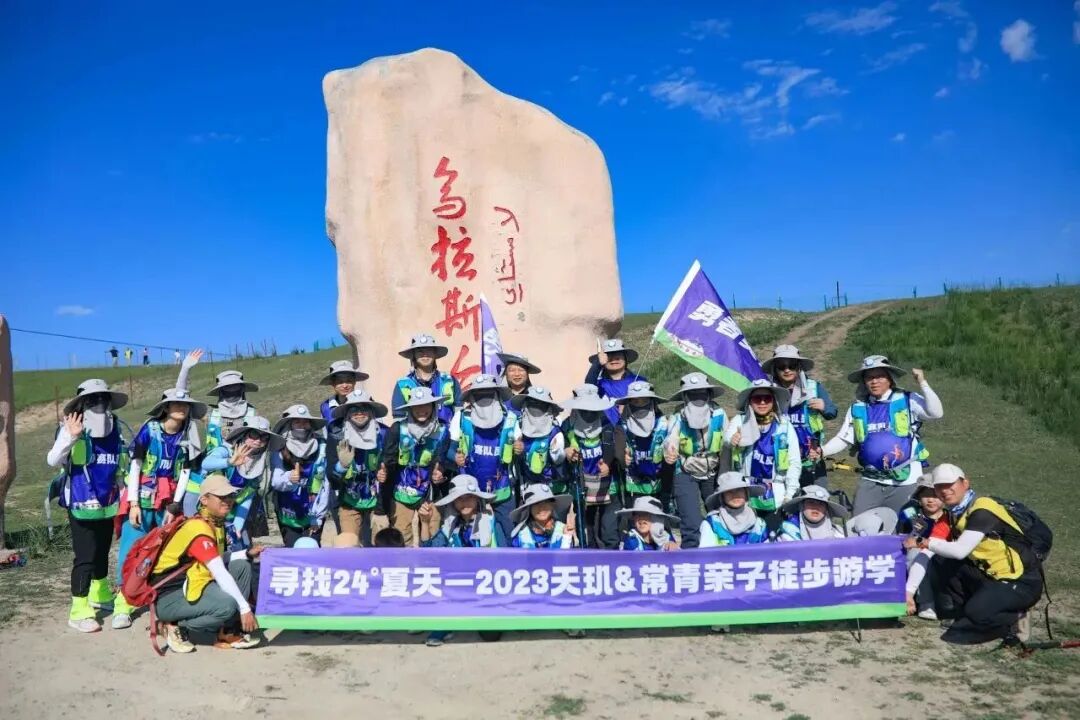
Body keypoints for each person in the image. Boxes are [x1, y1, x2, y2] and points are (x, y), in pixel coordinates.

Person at [903, 464, 1042, 645]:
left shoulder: (982, 510)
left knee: (973, 618)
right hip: (988, 573)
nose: (944, 491)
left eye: (950, 485)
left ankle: (1016, 614)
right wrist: (908, 592)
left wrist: (923, 541)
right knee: (940, 559)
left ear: (965, 483)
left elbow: (960, 551)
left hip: (1021, 580)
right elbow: (929, 552)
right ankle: (972, 610)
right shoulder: (954, 512)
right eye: (939, 486)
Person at [112, 387, 208, 629]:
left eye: (185, 405)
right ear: (165, 407)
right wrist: (133, 503)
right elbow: (136, 465)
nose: (181, 408)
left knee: (166, 550)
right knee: (132, 549)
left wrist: (175, 506)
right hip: (142, 497)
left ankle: (161, 597)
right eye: (176, 404)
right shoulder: (150, 429)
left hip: (168, 500)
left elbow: (186, 471)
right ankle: (123, 603)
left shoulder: (188, 434)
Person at [46, 379, 130, 633]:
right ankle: (79, 609)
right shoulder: (70, 428)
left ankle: (100, 593)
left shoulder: (116, 427)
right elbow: (53, 460)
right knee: (85, 556)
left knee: (102, 550)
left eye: (103, 398)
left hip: (107, 502)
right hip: (80, 503)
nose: (99, 404)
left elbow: (119, 463)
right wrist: (71, 437)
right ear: (82, 404)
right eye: (93, 399)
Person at [153, 474, 262, 653]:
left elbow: (218, 559)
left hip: (193, 583)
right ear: (204, 500)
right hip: (170, 597)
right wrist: (244, 608)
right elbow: (219, 571)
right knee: (228, 605)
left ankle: (226, 631)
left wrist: (246, 554)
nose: (228, 501)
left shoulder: (215, 523)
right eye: (221, 496)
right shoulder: (198, 528)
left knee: (242, 566)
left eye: (230, 496)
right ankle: (175, 626)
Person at [823, 355, 944, 515]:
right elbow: (843, 439)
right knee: (859, 523)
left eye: (880, 376)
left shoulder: (907, 399)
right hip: (871, 480)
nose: (874, 381)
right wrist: (822, 451)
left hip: (906, 480)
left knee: (903, 526)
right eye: (869, 377)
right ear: (864, 382)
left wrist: (922, 382)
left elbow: (936, 413)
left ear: (890, 379)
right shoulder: (858, 408)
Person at [419, 475, 505, 647]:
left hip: (486, 585)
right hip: (457, 584)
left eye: (469, 497)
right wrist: (425, 523)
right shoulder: (450, 527)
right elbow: (429, 553)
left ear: (477, 499)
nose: (464, 502)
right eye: (459, 498)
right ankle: (447, 623)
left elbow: (506, 558)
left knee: (491, 635)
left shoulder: (492, 524)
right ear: (453, 502)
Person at [449, 374, 518, 540]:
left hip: (502, 489)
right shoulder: (461, 418)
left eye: (489, 393)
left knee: (509, 534)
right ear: (472, 397)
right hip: (468, 491)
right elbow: (449, 449)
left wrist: (520, 449)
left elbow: (521, 450)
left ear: (497, 394)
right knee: (467, 534)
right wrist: (454, 457)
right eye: (479, 394)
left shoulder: (511, 418)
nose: (484, 397)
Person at [178, 368, 259, 508]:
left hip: (240, 477)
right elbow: (180, 399)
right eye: (227, 388)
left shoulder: (253, 414)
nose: (232, 391)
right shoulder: (209, 414)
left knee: (236, 519)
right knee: (191, 512)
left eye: (235, 387)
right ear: (221, 391)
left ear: (242, 389)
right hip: (208, 474)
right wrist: (185, 369)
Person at [725, 379, 801, 529]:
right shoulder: (740, 420)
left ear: (773, 401)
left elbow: (794, 462)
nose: (762, 402)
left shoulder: (784, 426)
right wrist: (733, 439)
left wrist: (789, 495)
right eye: (757, 398)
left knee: (773, 534)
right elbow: (728, 438)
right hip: (746, 493)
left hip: (776, 495)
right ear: (749, 401)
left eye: (767, 398)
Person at [200, 417, 284, 550]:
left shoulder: (261, 462)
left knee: (239, 544)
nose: (258, 440)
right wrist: (229, 462)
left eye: (264, 437)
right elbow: (206, 463)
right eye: (254, 434)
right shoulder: (227, 450)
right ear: (244, 434)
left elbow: (247, 495)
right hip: (208, 506)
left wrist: (237, 526)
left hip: (232, 509)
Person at [664, 372, 727, 549]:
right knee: (690, 523)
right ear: (685, 397)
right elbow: (670, 439)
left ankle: (724, 555)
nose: (697, 397)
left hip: (713, 471)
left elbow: (728, 441)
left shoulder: (719, 414)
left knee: (720, 517)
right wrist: (670, 451)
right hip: (685, 471)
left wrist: (725, 473)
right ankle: (690, 557)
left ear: (709, 394)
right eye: (692, 394)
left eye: (701, 393)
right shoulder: (678, 416)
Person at [383, 385, 451, 546]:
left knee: (432, 533)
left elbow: (443, 459)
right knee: (401, 536)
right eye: (417, 406)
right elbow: (388, 459)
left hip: (430, 494)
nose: (421, 410)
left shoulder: (442, 431)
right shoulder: (397, 429)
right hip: (401, 492)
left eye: (426, 405)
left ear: (433, 406)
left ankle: (431, 562)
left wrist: (440, 472)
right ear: (410, 409)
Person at [762, 345, 837, 488]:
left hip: (811, 461)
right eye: (781, 366)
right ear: (775, 369)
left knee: (816, 499)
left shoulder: (814, 387)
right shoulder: (768, 392)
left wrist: (824, 407)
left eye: (792, 365)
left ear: (799, 367)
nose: (787, 370)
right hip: (780, 463)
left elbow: (832, 413)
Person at [327, 390, 391, 547]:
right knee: (347, 545)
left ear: (372, 411)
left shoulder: (384, 433)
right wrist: (341, 466)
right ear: (347, 413)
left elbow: (393, 464)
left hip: (378, 502)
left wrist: (386, 474)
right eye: (354, 409)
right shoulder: (337, 435)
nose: (359, 413)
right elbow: (332, 478)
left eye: (364, 408)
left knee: (380, 547)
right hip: (349, 501)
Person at [561, 384, 619, 549]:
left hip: (607, 484)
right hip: (580, 484)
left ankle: (612, 557)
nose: (588, 412)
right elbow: (559, 445)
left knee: (609, 529)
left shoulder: (606, 423)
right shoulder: (567, 425)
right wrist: (566, 450)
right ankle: (589, 555)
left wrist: (607, 463)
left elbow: (610, 444)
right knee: (586, 528)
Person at [270, 405, 329, 548]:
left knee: (313, 548)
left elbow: (325, 484)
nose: (302, 425)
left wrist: (319, 516)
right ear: (289, 425)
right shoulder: (279, 448)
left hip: (314, 511)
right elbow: (275, 481)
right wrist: (289, 478)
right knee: (293, 550)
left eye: (305, 421)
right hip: (287, 512)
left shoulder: (322, 446)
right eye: (297, 422)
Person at [897, 476, 952, 620]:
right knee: (917, 553)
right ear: (919, 498)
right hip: (917, 559)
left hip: (943, 558)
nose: (931, 500)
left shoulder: (950, 517)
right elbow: (906, 537)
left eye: (936, 495)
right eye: (926, 495)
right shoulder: (913, 515)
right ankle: (926, 603)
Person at [614, 381, 674, 506]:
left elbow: (670, 443)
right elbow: (619, 447)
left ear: (652, 401)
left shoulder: (663, 423)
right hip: (633, 486)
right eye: (635, 401)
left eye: (644, 401)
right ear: (629, 403)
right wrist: (623, 458)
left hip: (659, 483)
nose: (640, 405)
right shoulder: (622, 425)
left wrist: (670, 452)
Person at [391, 334, 462, 425]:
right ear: (413, 355)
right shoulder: (402, 385)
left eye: (429, 350)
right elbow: (399, 420)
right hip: (413, 434)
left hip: (447, 433)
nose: (425, 354)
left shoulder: (450, 381)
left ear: (435, 354)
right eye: (420, 351)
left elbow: (459, 413)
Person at [509, 386, 567, 489]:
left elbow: (558, 460)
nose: (536, 407)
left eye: (541, 405)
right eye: (532, 403)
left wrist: (557, 452)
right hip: (525, 485)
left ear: (549, 408)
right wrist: (515, 449)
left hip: (551, 485)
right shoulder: (519, 426)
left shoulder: (555, 432)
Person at [585, 338, 647, 425]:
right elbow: (588, 386)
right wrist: (597, 364)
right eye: (609, 355)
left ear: (625, 358)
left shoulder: (639, 382)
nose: (614, 358)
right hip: (606, 430)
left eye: (618, 354)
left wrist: (630, 405)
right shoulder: (598, 385)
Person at [699, 472, 770, 547]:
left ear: (746, 493)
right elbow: (705, 552)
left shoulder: (760, 525)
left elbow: (767, 552)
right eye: (729, 492)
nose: (735, 495)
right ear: (722, 497)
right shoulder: (712, 524)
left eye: (739, 490)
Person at [510, 484, 575, 548]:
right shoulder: (521, 536)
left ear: (552, 505)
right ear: (529, 509)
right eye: (536, 503)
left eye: (546, 502)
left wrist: (567, 537)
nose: (542, 507)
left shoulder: (564, 530)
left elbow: (566, 554)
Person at [777, 485, 849, 541]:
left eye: (821, 503)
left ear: (826, 509)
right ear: (802, 506)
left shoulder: (839, 535)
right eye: (811, 502)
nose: (816, 507)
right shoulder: (787, 535)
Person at [319, 360, 371, 427]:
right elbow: (325, 430)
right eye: (340, 382)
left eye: (349, 381)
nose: (345, 386)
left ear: (354, 382)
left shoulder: (367, 401)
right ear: (333, 384)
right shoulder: (326, 406)